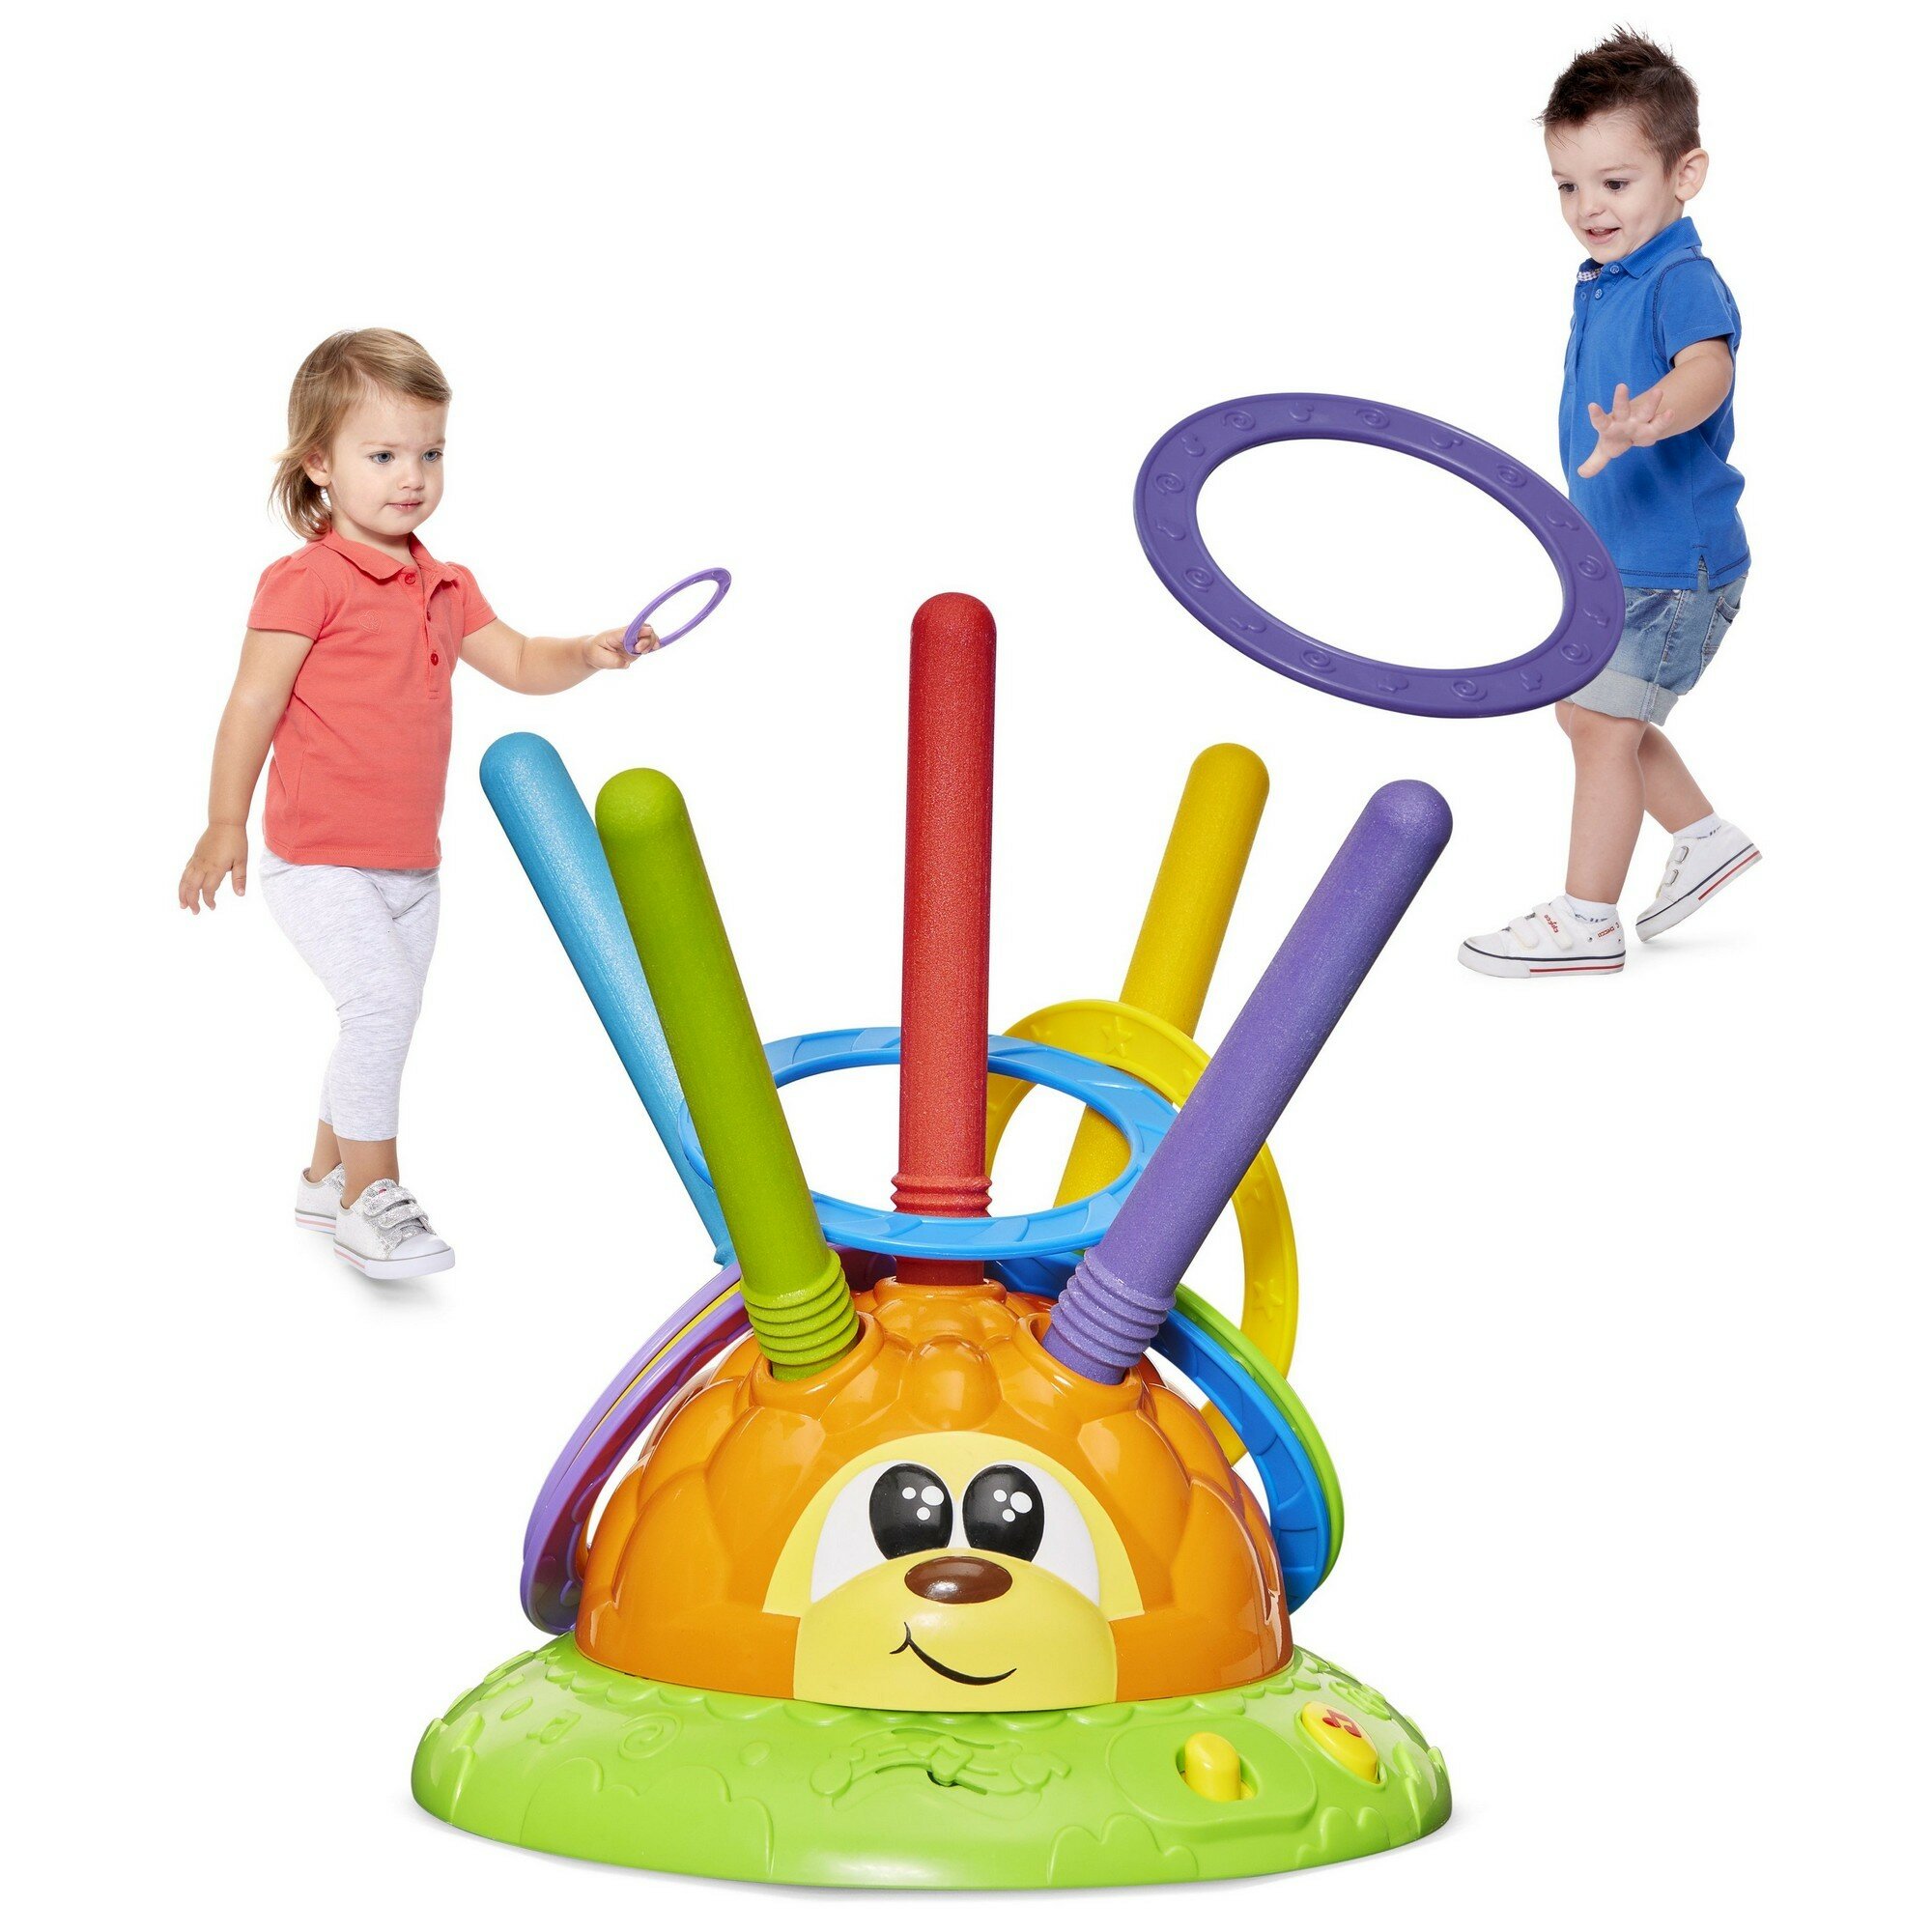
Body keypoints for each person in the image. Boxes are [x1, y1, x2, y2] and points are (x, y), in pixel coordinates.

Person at [179, 328, 654, 1275]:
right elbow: (252, 703)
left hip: (411, 865)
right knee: (381, 1004)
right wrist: (225, 820)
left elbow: (518, 660)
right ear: (319, 464)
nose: (413, 477)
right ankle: (372, 1197)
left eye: (430, 453)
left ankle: (324, 1177)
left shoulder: (445, 584)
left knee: (380, 1017)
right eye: (384, 455)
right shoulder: (304, 580)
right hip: (320, 858)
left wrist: (585, 653)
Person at [1461, 31, 1758, 980]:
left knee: (1599, 726)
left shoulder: (1678, 277)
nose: (1587, 207)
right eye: (1566, 185)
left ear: (1685, 174)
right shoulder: (1605, 275)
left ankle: (1587, 917)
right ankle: (1703, 838)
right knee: (1591, 717)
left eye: (1615, 183)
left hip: (1673, 565)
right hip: (1623, 555)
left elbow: (1705, 369)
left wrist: (1655, 414)